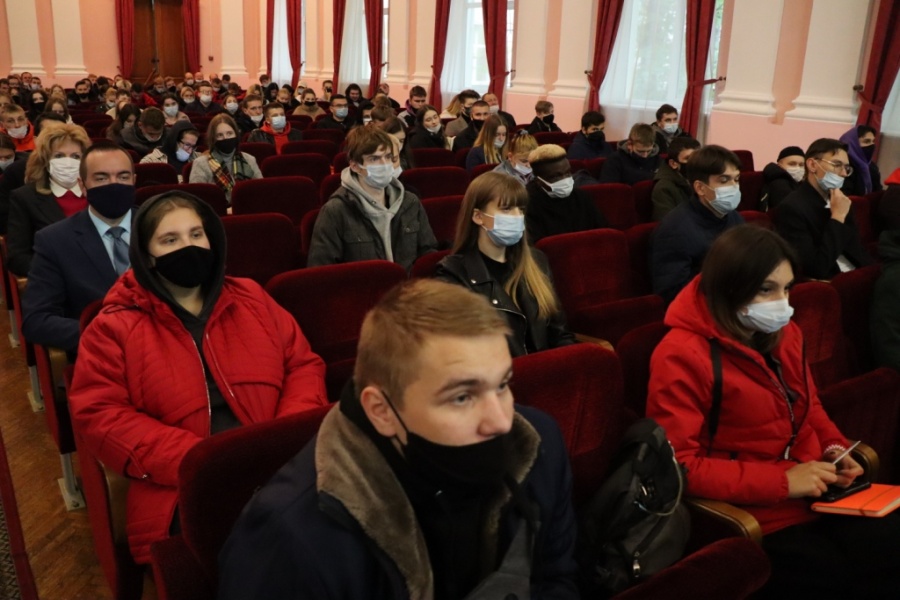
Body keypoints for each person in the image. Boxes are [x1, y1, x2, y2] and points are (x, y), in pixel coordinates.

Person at [218, 278, 579, 599]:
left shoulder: (536, 445)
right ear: (381, 411)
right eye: (462, 397)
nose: (501, 421)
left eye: (502, 385)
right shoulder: (290, 541)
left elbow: (554, 578)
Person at [69, 190, 329, 566]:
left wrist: (281, 442)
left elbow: (302, 365)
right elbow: (101, 414)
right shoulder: (112, 327)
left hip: (279, 463)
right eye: (170, 240)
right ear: (147, 255)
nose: (188, 247)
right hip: (183, 481)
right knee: (269, 549)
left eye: (196, 234)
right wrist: (200, 462)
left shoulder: (252, 298)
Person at [647, 224, 900, 597]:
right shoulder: (681, 355)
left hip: (817, 490)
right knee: (830, 575)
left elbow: (809, 407)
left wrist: (834, 448)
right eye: (766, 289)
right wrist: (784, 482)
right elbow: (679, 466)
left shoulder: (785, 333)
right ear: (730, 286)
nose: (782, 303)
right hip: (753, 509)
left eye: (787, 288)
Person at [435, 171, 576, 356]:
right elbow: (463, 352)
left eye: (521, 209)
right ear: (478, 216)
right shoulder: (453, 274)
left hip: (545, 368)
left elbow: (560, 333)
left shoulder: (537, 261)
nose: (517, 216)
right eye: (506, 209)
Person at [22, 143, 136, 353]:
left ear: (134, 180)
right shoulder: (54, 241)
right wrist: (105, 334)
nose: (114, 185)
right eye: (101, 178)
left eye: (123, 177)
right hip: (100, 356)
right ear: (82, 185)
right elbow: (37, 320)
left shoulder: (161, 228)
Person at [308, 126, 437, 271]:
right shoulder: (335, 211)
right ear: (355, 166)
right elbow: (322, 271)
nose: (384, 164)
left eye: (388, 157)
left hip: (410, 284)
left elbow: (428, 253)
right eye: (374, 159)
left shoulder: (410, 202)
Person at [650, 144, 745, 303]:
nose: (734, 187)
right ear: (700, 188)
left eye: (736, 179)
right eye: (724, 180)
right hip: (704, 307)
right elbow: (672, 292)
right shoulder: (674, 230)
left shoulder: (734, 217)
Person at [773, 138, 873, 280]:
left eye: (846, 168)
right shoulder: (791, 207)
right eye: (837, 165)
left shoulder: (841, 200)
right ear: (813, 165)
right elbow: (816, 268)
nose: (844, 173)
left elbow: (857, 250)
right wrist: (837, 217)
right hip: (828, 281)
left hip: (856, 273)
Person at [6, 123, 91, 276]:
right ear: (45, 160)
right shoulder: (24, 198)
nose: (68, 162)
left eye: (75, 156)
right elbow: (18, 258)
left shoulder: (97, 193)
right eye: (59, 156)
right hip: (54, 281)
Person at [524, 144, 607, 244]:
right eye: (556, 176)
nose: (564, 180)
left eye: (568, 173)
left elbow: (602, 234)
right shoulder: (526, 205)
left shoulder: (582, 197)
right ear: (539, 180)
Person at [189, 114, 262, 205]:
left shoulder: (249, 159)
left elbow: (261, 191)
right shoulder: (200, 163)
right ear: (213, 138)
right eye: (220, 135)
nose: (225, 138)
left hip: (247, 208)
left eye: (229, 133)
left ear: (236, 134)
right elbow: (196, 200)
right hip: (216, 211)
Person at [651, 136, 701, 221]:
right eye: (688, 158)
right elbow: (669, 223)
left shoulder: (703, 179)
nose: (695, 162)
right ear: (673, 164)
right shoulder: (663, 188)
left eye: (697, 157)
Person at [839, 125, 883, 197]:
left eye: (873, 141)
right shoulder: (843, 166)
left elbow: (878, 192)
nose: (872, 145)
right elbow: (844, 196)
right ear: (853, 143)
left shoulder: (872, 167)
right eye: (866, 141)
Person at [761, 146, 805, 213]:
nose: (798, 168)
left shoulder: (803, 183)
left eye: (801, 165)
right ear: (780, 165)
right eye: (792, 164)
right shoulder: (778, 184)